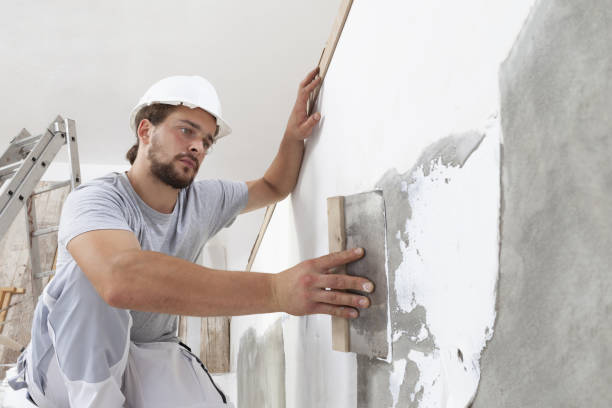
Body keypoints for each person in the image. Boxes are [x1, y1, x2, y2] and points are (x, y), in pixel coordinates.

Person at [9, 68, 374, 407]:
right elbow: (119, 278)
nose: (199, 146)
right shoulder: (97, 199)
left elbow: (272, 186)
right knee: (90, 275)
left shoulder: (204, 200)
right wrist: (277, 291)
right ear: (145, 131)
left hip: (149, 349)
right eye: (186, 130)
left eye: (207, 140)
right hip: (68, 363)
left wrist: (294, 135)